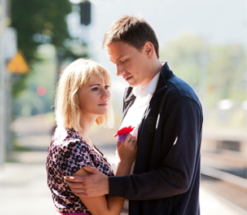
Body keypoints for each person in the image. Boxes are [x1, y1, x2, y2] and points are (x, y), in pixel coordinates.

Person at [64, 16, 203, 215]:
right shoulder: (131, 94)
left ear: (148, 49)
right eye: (114, 63)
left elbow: (178, 178)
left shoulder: (180, 99)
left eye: (123, 60)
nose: (119, 72)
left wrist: (111, 185)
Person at [46, 59, 138, 215]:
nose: (106, 95)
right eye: (95, 89)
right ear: (73, 95)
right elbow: (107, 214)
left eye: (106, 87)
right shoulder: (72, 145)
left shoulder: (72, 136)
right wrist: (125, 161)